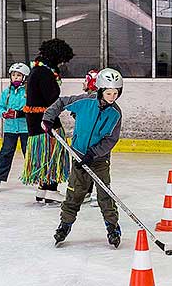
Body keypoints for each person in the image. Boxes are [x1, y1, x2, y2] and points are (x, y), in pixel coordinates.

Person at [41, 68, 123, 247]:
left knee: (104, 195)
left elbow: (111, 139)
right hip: (77, 155)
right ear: (100, 90)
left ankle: (112, 227)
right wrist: (48, 118)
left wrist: (93, 153)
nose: (112, 97)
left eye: (116, 93)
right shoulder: (85, 101)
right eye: (108, 93)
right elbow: (61, 102)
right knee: (74, 193)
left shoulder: (115, 114)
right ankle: (65, 225)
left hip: (99, 160)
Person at [21, 38, 74, 204]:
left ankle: (42, 190)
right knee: (53, 152)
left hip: (35, 120)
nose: (63, 63)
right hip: (45, 119)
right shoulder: (45, 73)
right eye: (62, 59)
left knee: (44, 154)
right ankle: (51, 189)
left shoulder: (37, 70)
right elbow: (52, 97)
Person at [0, 63, 30, 192]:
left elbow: (32, 109)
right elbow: (0, 107)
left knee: (29, 152)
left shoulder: (28, 92)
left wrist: (19, 113)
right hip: (10, 128)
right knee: (6, 152)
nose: (15, 78)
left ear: (24, 77)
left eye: (18, 75)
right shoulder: (7, 92)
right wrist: (3, 113)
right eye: (13, 75)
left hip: (25, 128)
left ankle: (35, 176)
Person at [80, 69, 99, 207]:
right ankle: (87, 192)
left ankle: (101, 194)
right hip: (88, 138)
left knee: (97, 166)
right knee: (87, 165)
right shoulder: (89, 97)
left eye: (87, 80)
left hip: (95, 140)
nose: (84, 83)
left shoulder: (94, 98)